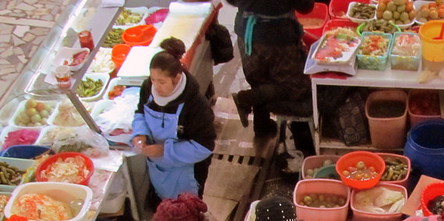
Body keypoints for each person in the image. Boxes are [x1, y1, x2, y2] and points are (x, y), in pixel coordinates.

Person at [131, 37, 216, 202]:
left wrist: (164, 150)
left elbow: (205, 146)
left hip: (187, 171)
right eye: (153, 80)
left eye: (161, 82)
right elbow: (140, 112)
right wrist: (140, 134)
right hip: (157, 166)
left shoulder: (196, 105)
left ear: (176, 78)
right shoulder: (148, 88)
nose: (156, 86)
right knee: (164, 202)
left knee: (188, 209)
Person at [228, 0, 315, 140]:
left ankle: (262, 127)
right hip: (278, 38)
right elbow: (306, 6)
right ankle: (246, 98)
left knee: (258, 79)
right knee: (296, 86)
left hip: (246, 33)